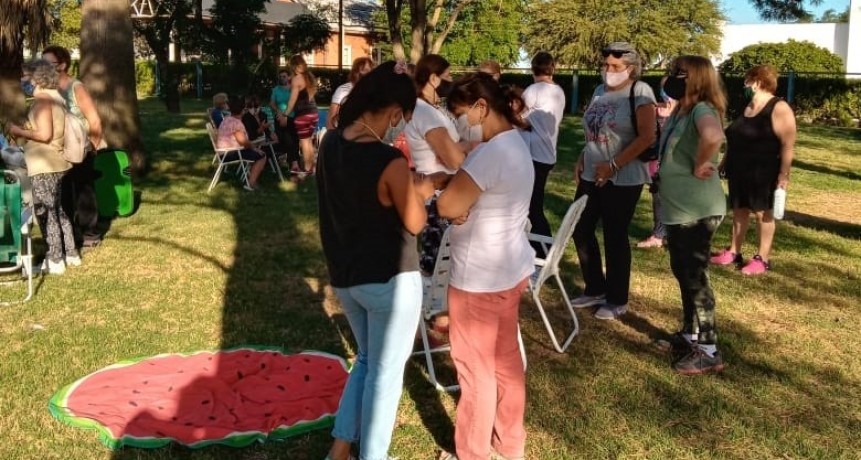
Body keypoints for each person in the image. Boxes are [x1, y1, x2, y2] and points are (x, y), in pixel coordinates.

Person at [317, 61, 434, 460]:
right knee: (385, 374)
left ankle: (340, 445)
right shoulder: (389, 160)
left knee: (367, 361)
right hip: (390, 279)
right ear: (395, 111)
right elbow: (415, 223)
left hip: (346, 276)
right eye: (403, 117)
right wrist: (422, 192)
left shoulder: (330, 143)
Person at [436, 72, 534, 460]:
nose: (460, 124)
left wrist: (453, 202)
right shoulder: (515, 144)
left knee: (475, 374)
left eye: (460, 114)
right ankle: (509, 445)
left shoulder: (492, 152)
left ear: (480, 107)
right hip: (508, 271)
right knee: (505, 364)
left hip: (478, 279)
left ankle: (473, 454)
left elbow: (447, 206)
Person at [572, 42, 656, 320]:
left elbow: (647, 136)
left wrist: (613, 165)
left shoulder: (640, 91)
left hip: (623, 177)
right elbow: (594, 130)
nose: (609, 70)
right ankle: (595, 287)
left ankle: (617, 298)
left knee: (614, 235)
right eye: (606, 65)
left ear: (631, 68)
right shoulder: (599, 91)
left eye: (616, 67)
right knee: (581, 229)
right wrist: (583, 156)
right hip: (591, 173)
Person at [657, 55, 728, 374]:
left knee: (695, 275)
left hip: (697, 210)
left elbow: (714, 136)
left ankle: (709, 349)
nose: (671, 77)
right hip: (678, 209)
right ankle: (691, 333)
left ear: (695, 78)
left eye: (678, 73)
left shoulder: (702, 108)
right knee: (682, 270)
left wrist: (701, 162)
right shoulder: (682, 109)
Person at [712, 64, 796, 275]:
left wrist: (783, 175)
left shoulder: (779, 108)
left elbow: (787, 144)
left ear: (758, 82)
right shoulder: (747, 106)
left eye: (747, 80)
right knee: (739, 209)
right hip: (739, 169)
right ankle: (734, 251)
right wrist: (723, 163)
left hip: (764, 171)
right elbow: (735, 139)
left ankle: (762, 258)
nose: (745, 85)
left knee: (763, 214)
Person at [7, 59, 79, 275]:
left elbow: (44, 135)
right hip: (56, 161)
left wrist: (18, 131)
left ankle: (55, 259)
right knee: (58, 210)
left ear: (36, 78)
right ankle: (71, 253)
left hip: (45, 163)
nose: (22, 81)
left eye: (25, 76)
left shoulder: (43, 102)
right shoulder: (56, 99)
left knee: (46, 212)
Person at [405, 54, 474, 274]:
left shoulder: (435, 109)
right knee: (438, 266)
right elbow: (453, 158)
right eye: (447, 75)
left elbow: (456, 148)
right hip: (436, 193)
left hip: (447, 187)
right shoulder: (423, 111)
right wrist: (462, 148)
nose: (450, 80)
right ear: (434, 78)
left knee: (449, 263)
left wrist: (462, 146)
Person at [42, 45, 104, 246]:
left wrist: (92, 147)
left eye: (48, 63)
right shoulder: (46, 89)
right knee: (64, 191)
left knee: (83, 189)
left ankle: (90, 234)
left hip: (80, 147)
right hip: (58, 149)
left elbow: (94, 120)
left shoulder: (76, 87)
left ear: (62, 65)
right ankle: (69, 233)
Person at [521, 52, 566, 255]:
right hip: (548, 153)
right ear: (552, 68)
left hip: (533, 155)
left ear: (533, 70)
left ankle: (544, 248)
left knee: (532, 205)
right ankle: (540, 245)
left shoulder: (532, 90)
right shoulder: (558, 92)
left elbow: (519, 117)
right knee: (534, 202)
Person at [637, 76, 677, 249]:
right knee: (658, 197)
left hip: (675, 162)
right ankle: (659, 234)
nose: (665, 92)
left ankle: (675, 236)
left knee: (674, 199)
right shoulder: (655, 110)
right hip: (656, 161)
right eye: (662, 87)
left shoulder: (683, 113)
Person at [216, 96, 267, 191]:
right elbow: (243, 142)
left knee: (256, 153)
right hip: (230, 153)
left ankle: (250, 177)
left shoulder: (227, 119)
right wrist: (254, 148)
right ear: (243, 110)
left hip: (223, 152)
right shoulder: (236, 123)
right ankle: (251, 183)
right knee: (261, 156)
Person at [283, 55, 320, 175]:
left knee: (304, 142)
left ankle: (308, 168)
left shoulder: (297, 79)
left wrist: (285, 114)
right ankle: (312, 168)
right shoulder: (309, 77)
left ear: (293, 66)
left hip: (302, 115)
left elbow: (292, 100)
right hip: (313, 113)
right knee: (308, 141)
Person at [327, 57, 375, 130]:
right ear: (354, 72)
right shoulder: (343, 90)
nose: (361, 74)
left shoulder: (376, 91)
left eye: (366, 71)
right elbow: (331, 121)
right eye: (359, 71)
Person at [270, 68, 301, 173]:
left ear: (289, 77)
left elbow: (296, 103)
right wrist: (278, 111)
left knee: (293, 139)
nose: (282, 78)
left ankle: (293, 162)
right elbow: (272, 103)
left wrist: (287, 116)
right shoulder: (276, 89)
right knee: (287, 139)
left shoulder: (293, 88)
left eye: (284, 76)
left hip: (292, 117)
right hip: (279, 117)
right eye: (280, 76)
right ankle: (293, 163)